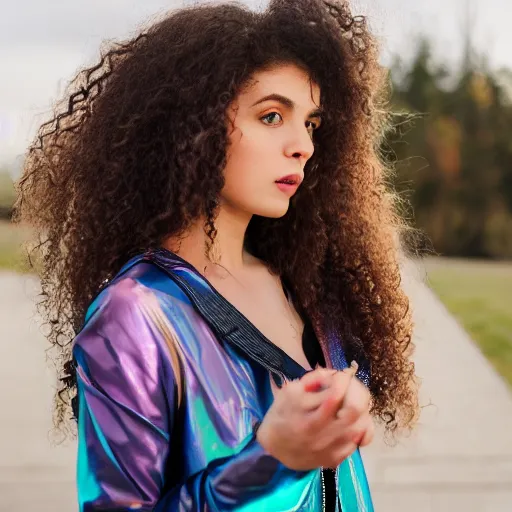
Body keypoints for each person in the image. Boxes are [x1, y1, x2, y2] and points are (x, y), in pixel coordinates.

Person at [14, 0, 419, 510]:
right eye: (272, 116)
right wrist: (272, 461)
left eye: (311, 124)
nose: (303, 146)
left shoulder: (305, 290)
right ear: (192, 127)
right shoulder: (137, 314)